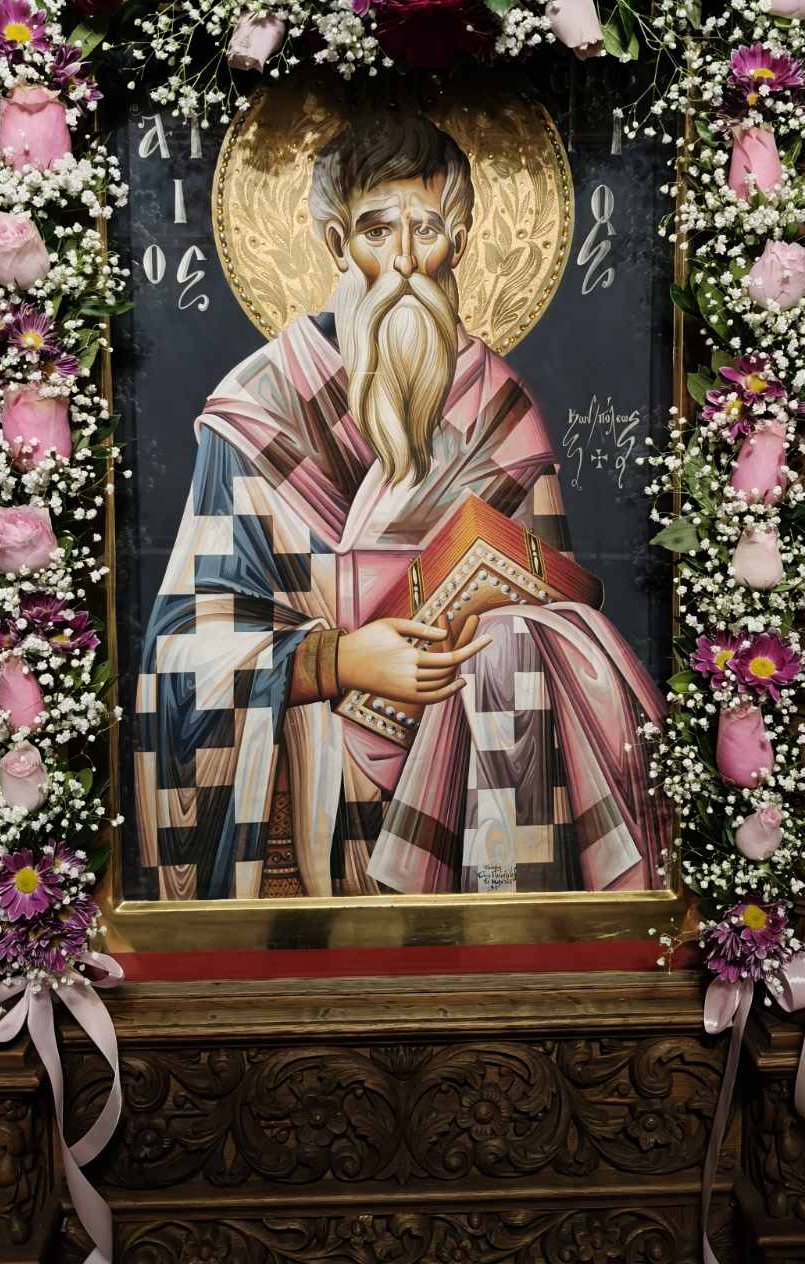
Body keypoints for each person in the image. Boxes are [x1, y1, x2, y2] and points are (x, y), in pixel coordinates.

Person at [134, 111, 669, 899]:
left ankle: (505, 942)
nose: (407, 263)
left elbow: (558, 600)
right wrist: (342, 660)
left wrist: (497, 634)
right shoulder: (262, 405)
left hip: (483, 735)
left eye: (429, 231)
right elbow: (185, 644)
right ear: (335, 244)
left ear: (462, 241)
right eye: (377, 231)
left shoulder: (499, 407)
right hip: (320, 749)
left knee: (519, 644)